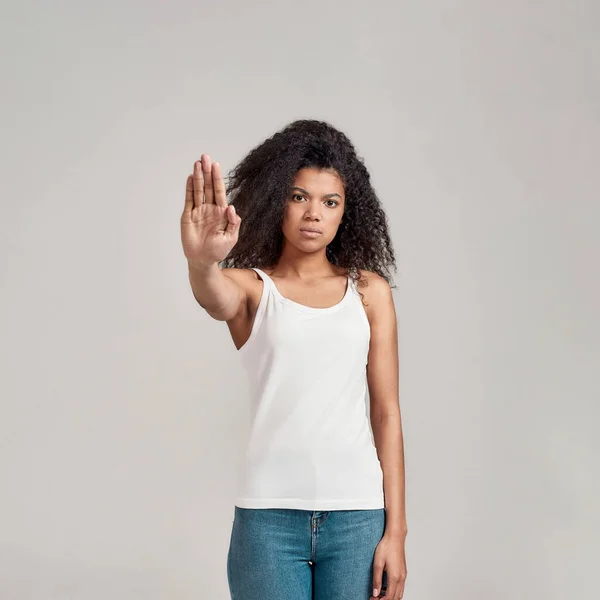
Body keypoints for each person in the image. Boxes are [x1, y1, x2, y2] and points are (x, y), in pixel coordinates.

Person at [180, 119, 408, 600]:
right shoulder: (252, 287)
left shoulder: (369, 293)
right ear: (275, 199)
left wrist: (396, 533)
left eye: (330, 202)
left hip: (358, 518)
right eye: (299, 196)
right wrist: (202, 263)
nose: (313, 214)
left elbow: (386, 413)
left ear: (347, 212)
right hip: (268, 520)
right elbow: (214, 295)